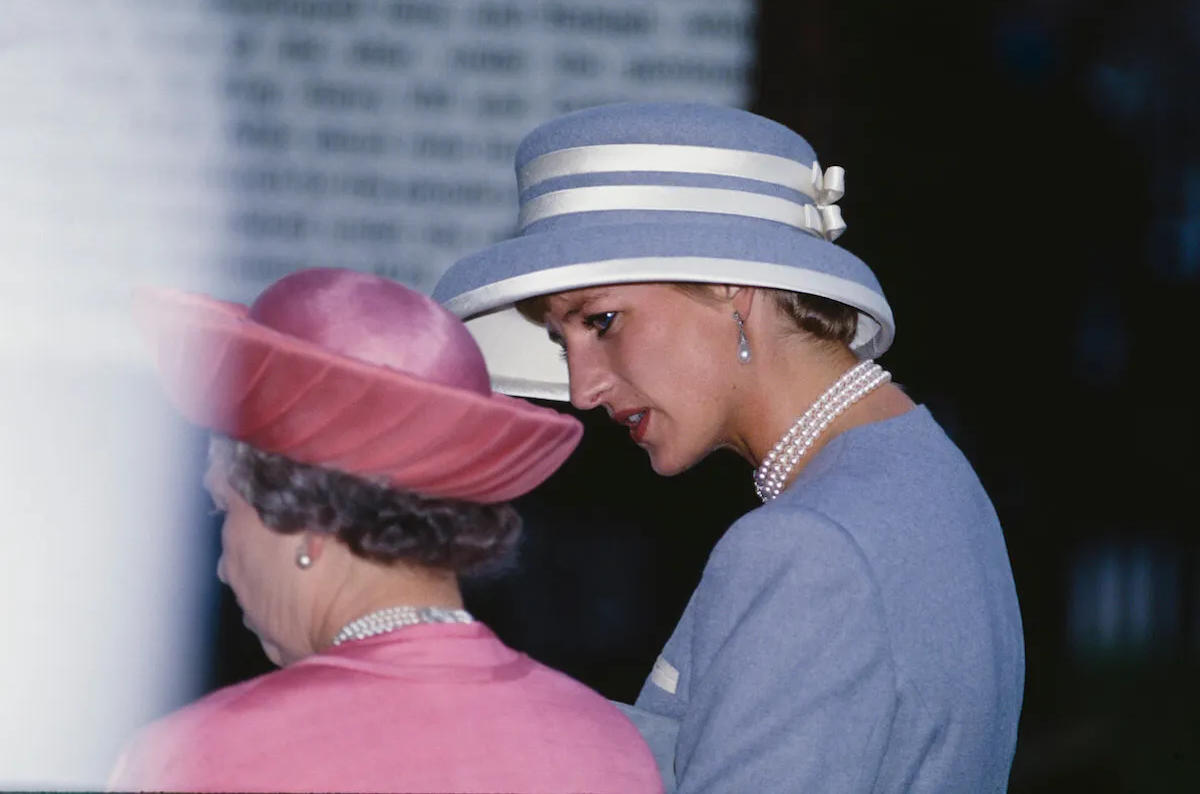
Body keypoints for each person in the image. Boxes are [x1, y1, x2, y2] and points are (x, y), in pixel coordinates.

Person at [433, 101, 1026, 792]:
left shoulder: (807, 548)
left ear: (726, 281)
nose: (584, 387)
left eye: (602, 320)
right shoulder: (923, 471)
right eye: (564, 341)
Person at [108, 267, 664, 793]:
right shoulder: (607, 746)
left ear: (308, 519)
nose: (224, 567)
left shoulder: (202, 756)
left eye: (222, 508)